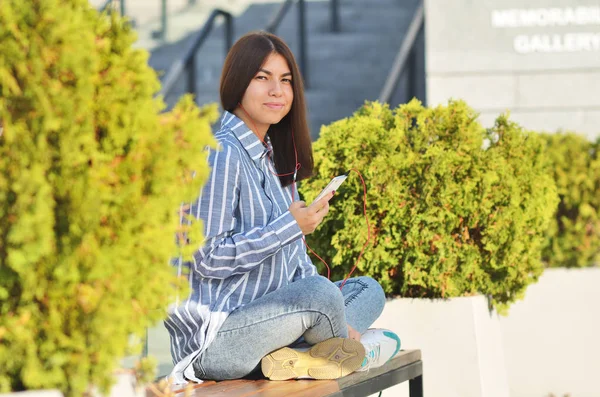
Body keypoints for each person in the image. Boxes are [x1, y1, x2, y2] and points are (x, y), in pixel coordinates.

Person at [165, 31, 400, 384]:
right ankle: (356, 352)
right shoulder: (220, 153)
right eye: (263, 77)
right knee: (321, 294)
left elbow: (294, 271)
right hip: (218, 340)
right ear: (237, 83)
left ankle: (303, 356)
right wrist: (290, 227)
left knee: (367, 289)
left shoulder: (271, 158)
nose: (277, 90)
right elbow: (205, 258)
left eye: (285, 80)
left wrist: (296, 238)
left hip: (271, 323)